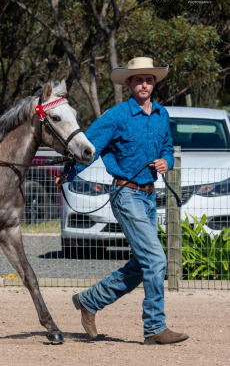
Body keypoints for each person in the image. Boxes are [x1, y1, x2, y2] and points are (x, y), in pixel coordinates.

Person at [57, 57, 189, 345]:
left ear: (155, 83)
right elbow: (87, 148)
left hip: (149, 196)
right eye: (139, 79)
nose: (144, 84)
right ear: (129, 83)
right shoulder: (116, 116)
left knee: (143, 265)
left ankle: (90, 301)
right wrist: (68, 173)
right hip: (125, 194)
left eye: (149, 79)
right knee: (156, 259)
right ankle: (155, 327)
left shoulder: (161, 115)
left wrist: (166, 161)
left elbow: (167, 147)